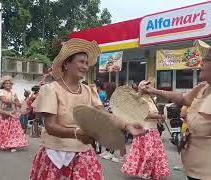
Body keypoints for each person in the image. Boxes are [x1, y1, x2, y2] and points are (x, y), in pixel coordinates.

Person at [30, 38, 145, 179]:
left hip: (83, 153)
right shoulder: (51, 90)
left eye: (86, 63)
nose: (85, 66)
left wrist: (128, 125)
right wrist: (77, 133)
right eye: (81, 62)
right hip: (55, 154)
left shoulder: (89, 90)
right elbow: (50, 126)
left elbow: (104, 114)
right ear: (66, 64)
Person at [142, 40, 211, 180]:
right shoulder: (203, 87)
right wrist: (154, 90)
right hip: (192, 168)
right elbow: (183, 99)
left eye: (207, 60)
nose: (201, 63)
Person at [121, 80, 170, 180]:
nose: (150, 88)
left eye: (150, 86)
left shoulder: (151, 99)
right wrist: (158, 116)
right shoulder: (139, 99)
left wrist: (159, 118)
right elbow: (144, 114)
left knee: (155, 154)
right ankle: (144, 172)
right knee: (148, 154)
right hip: (144, 130)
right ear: (141, 88)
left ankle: (152, 172)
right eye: (147, 86)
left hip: (154, 130)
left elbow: (154, 113)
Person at [0, 75, 29, 152]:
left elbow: (19, 104)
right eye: (6, 83)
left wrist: (20, 104)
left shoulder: (13, 93)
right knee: (2, 130)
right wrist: (14, 101)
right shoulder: (1, 92)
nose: (8, 84)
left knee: (13, 131)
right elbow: (4, 100)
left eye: (10, 83)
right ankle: (3, 143)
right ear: (3, 84)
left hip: (12, 114)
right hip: (3, 113)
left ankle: (12, 145)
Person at [100, 82, 127, 163]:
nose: (104, 90)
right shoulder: (108, 98)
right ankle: (108, 152)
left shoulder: (116, 99)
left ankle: (119, 156)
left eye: (106, 89)